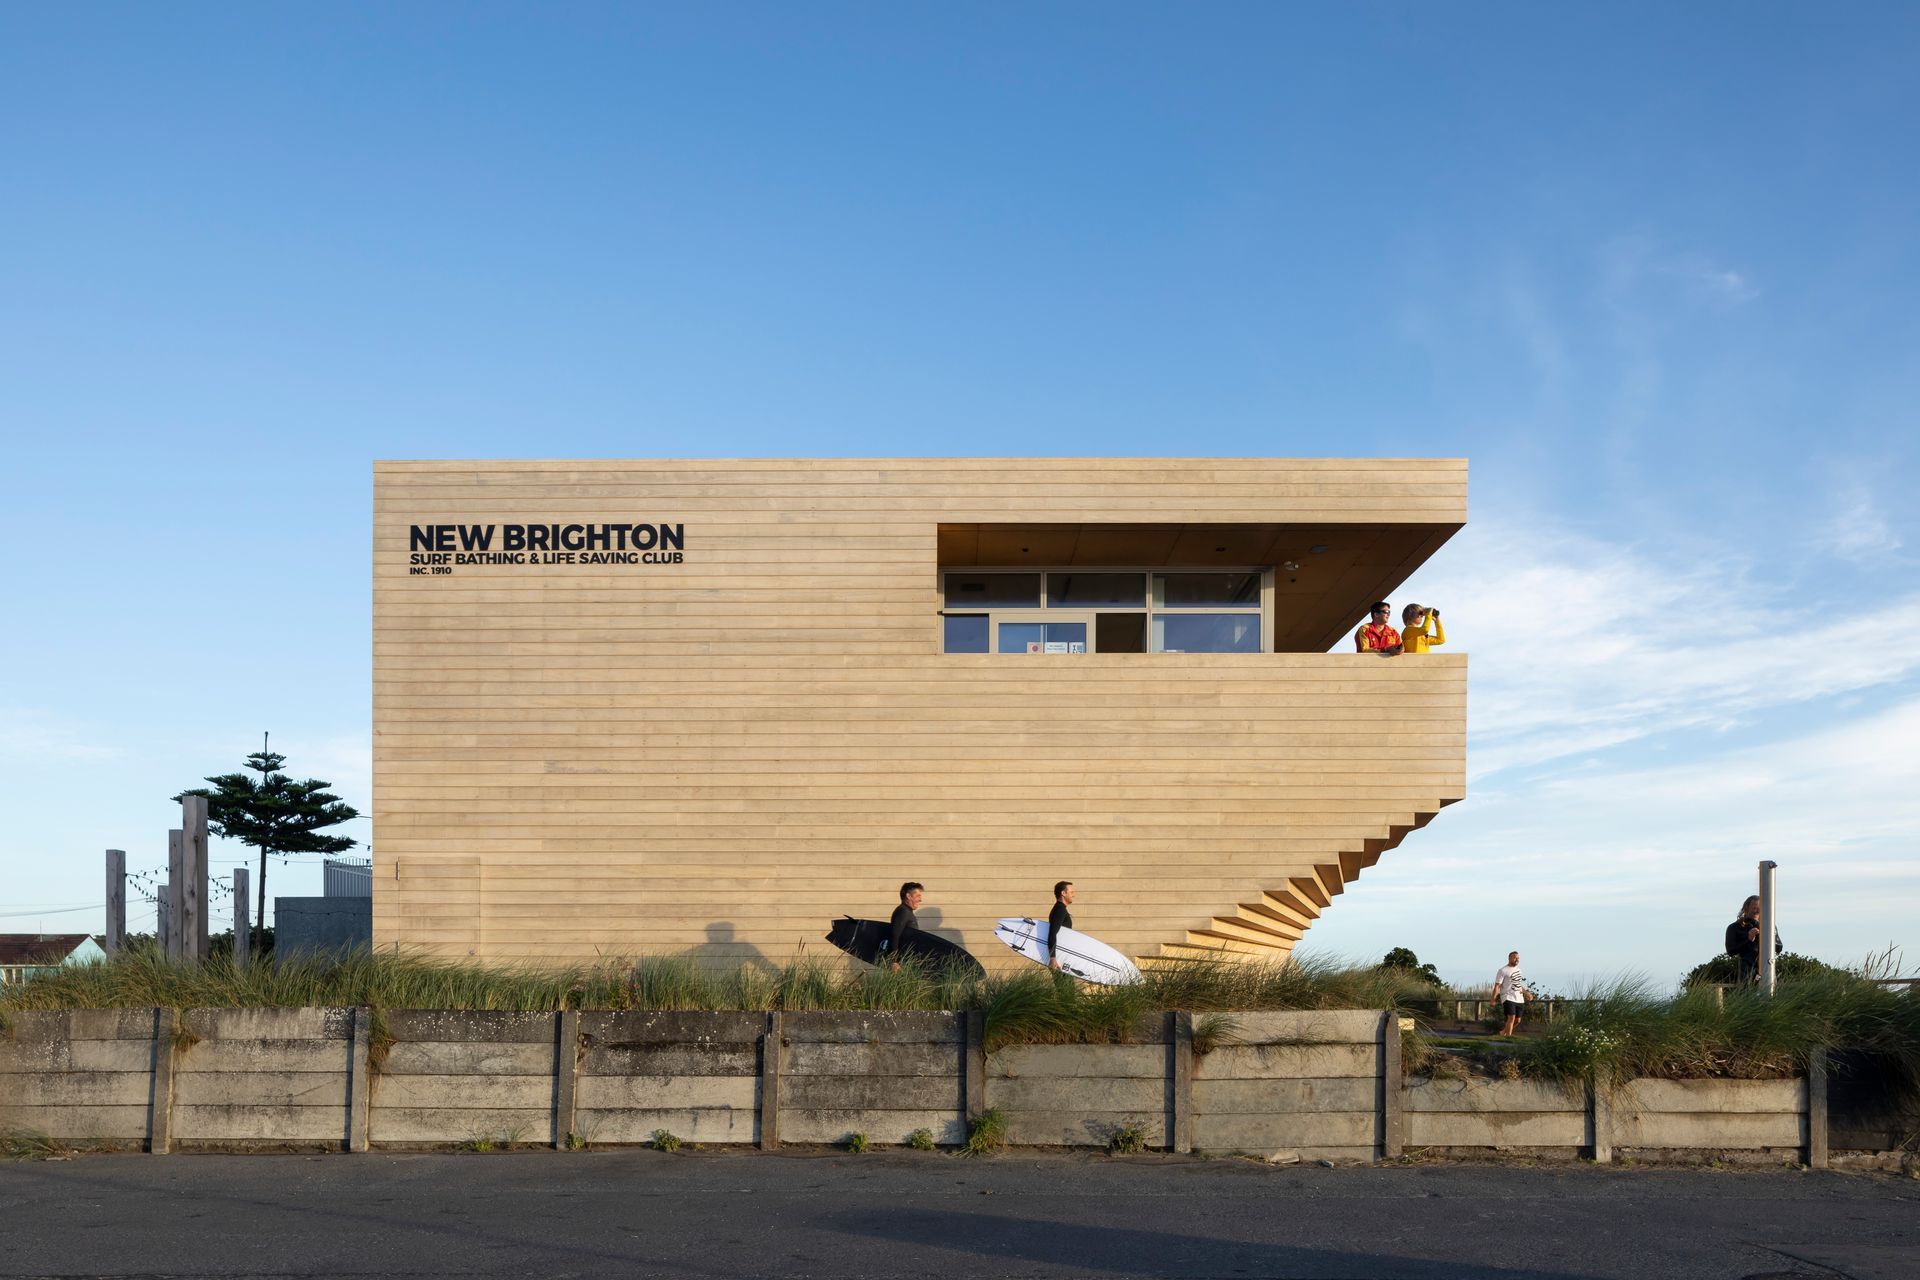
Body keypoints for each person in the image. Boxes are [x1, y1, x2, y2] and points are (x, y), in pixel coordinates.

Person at [1724, 895, 1782, 984]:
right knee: (1747, 995)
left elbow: (1779, 948)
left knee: (1771, 995)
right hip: (1747, 970)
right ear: (1746, 908)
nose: (1757, 911)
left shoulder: (1770, 926)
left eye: (1759, 908)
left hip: (1767, 966)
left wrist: (1767, 936)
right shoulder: (1734, 927)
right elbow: (1731, 951)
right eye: (1754, 908)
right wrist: (1749, 939)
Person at [1489, 951, 1534, 1036]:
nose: (1517, 960)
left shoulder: (1519, 970)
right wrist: (1493, 999)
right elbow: (1497, 986)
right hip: (1507, 997)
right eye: (1515, 958)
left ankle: (1503, 1032)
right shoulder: (1503, 970)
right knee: (1511, 1017)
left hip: (1519, 998)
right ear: (1509, 958)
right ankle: (1508, 1038)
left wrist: (1526, 993)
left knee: (1518, 1020)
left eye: (1518, 958)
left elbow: (1518, 985)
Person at [888, 882, 923, 970]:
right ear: (908, 896)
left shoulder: (907, 911)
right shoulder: (903, 911)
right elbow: (895, 935)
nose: (920, 899)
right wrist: (894, 961)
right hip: (901, 964)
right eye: (918, 896)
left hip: (907, 961)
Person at [1046, 880, 1075, 972]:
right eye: (1071, 892)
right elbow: (1052, 933)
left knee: (1066, 986)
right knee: (1066, 986)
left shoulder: (1060, 908)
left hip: (1061, 957)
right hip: (1058, 959)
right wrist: (1053, 958)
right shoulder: (1060, 909)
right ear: (1063, 893)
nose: (1074, 895)